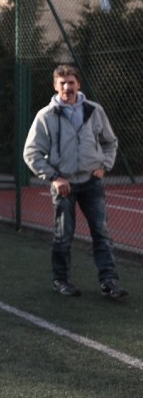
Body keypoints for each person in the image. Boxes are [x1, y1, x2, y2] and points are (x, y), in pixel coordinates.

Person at [23, 64, 127, 298]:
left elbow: (110, 142)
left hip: (92, 182)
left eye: (71, 82)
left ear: (78, 84)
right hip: (64, 185)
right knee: (64, 234)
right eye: (62, 83)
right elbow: (31, 153)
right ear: (55, 85)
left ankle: (109, 281)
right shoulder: (46, 116)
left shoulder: (94, 110)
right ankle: (61, 280)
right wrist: (54, 177)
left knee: (101, 233)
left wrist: (104, 166)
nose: (67, 87)